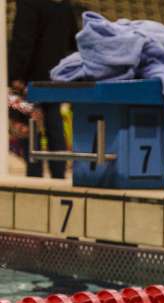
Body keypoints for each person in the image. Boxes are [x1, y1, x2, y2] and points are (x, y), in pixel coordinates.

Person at [8, 0, 78, 178]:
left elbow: (22, 42)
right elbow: (72, 41)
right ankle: (59, 176)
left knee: (28, 128)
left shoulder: (29, 4)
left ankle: (34, 175)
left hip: (29, 80)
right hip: (56, 76)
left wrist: (15, 75)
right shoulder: (65, 6)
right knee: (54, 126)